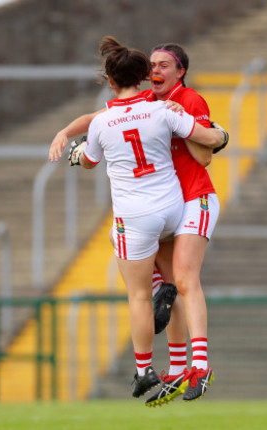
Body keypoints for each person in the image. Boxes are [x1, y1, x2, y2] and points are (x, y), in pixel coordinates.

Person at [49, 42, 226, 404]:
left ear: (110, 81)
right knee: (174, 285)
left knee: (142, 293)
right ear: (143, 76)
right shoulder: (162, 108)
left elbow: (89, 156)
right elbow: (206, 139)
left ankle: (146, 369)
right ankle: (179, 366)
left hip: (153, 212)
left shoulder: (110, 120)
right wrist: (219, 133)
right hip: (174, 206)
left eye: (165, 65)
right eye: (153, 65)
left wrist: (75, 151)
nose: (158, 70)